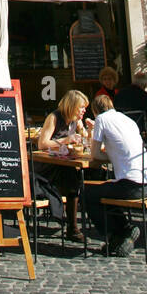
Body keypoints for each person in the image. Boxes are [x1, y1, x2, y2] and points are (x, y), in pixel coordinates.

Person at [83, 94, 147, 256]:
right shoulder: (126, 119)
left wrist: (110, 156)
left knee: (87, 194)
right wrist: (116, 155)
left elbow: (94, 155)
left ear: (95, 111)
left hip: (130, 185)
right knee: (106, 190)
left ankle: (117, 233)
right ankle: (123, 231)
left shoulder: (101, 119)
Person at [36, 89, 94, 242]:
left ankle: (73, 226)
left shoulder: (76, 120)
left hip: (64, 163)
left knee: (77, 178)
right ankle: (72, 228)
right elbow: (42, 144)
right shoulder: (54, 118)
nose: (83, 110)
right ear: (72, 105)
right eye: (81, 107)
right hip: (47, 167)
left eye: (84, 108)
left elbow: (85, 138)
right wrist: (65, 140)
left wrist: (90, 130)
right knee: (72, 179)